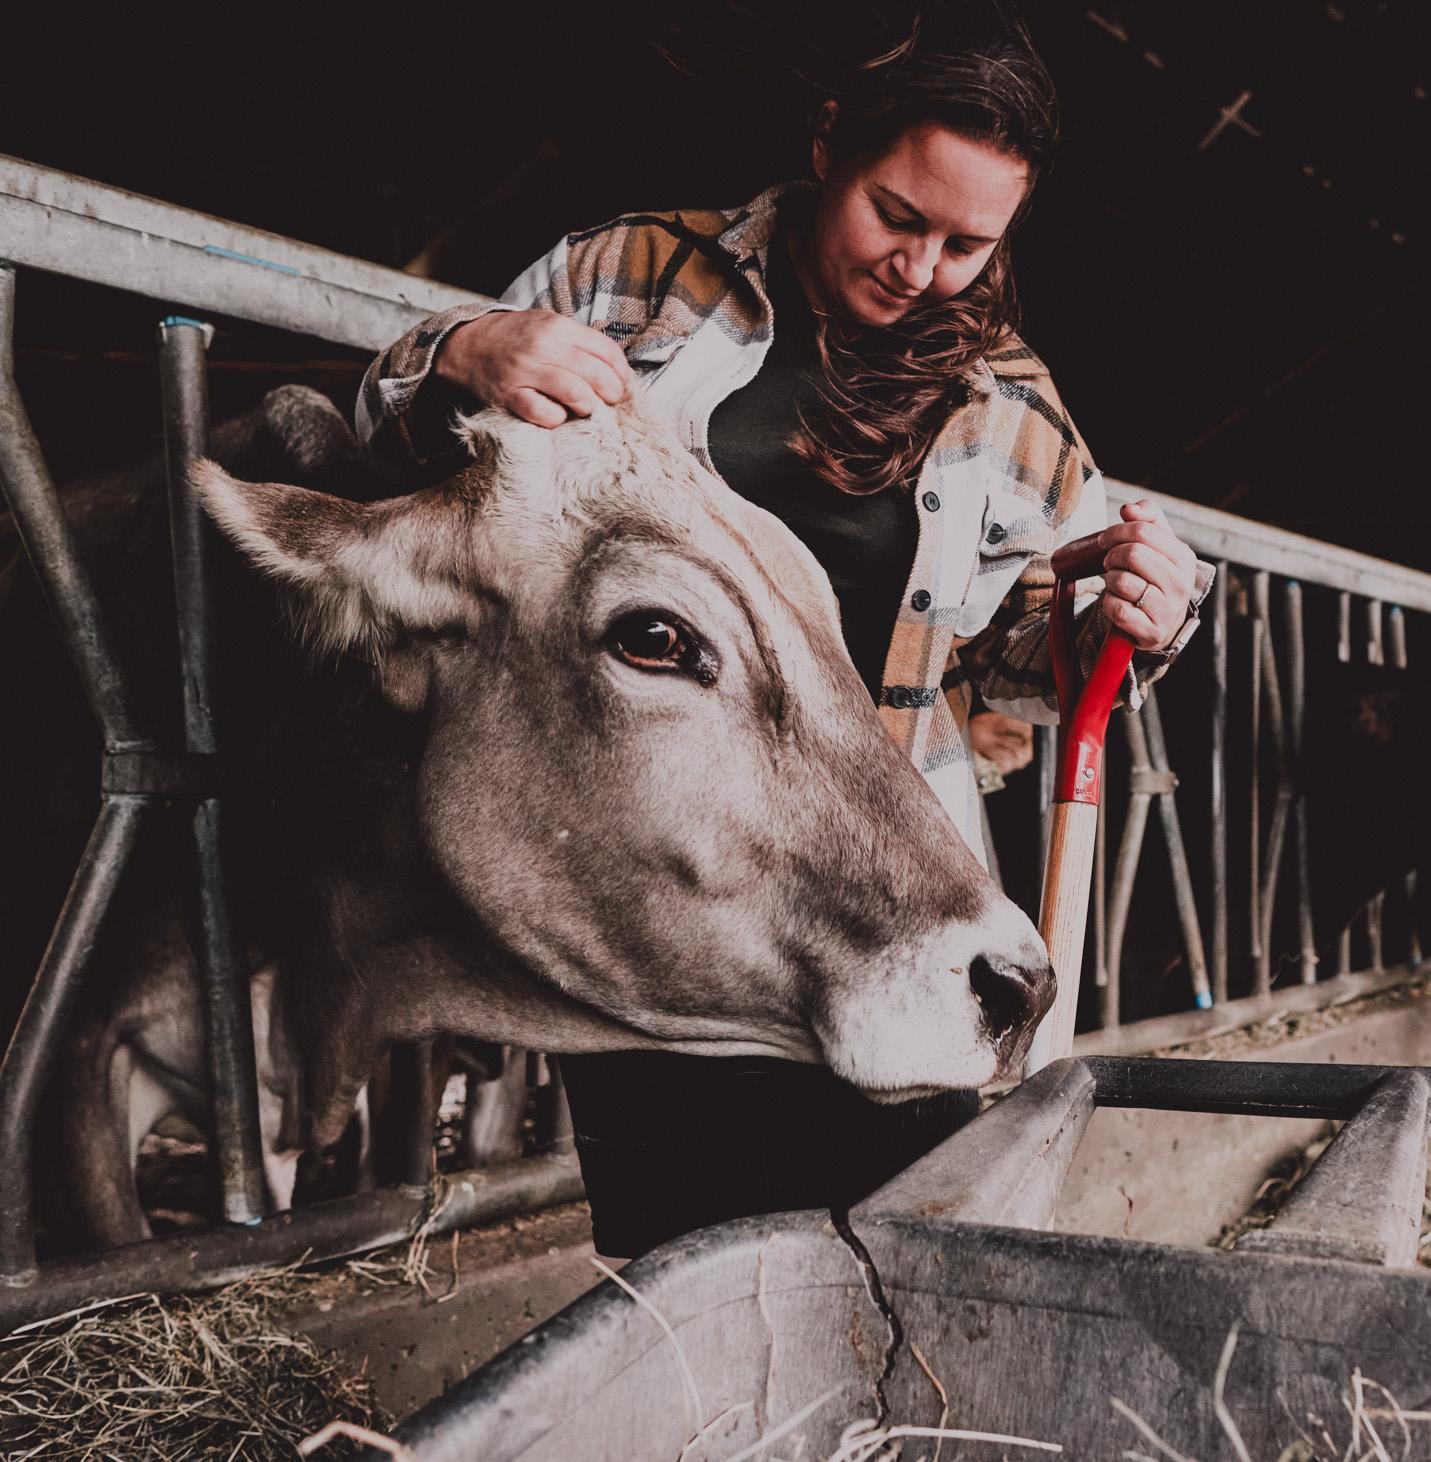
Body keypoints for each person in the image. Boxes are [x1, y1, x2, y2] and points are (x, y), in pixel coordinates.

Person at [356, 5, 1211, 1256]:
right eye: (898, 214)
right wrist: (464, 353)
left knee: (886, 1241)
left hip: (881, 870)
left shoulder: (1013, 407)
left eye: (970, 245)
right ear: (830, 140)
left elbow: (1030, 666)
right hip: (671, 859)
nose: (922, 269)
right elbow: (394, 452)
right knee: (678, 1251)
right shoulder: (629, 278)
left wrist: (1135, 618)